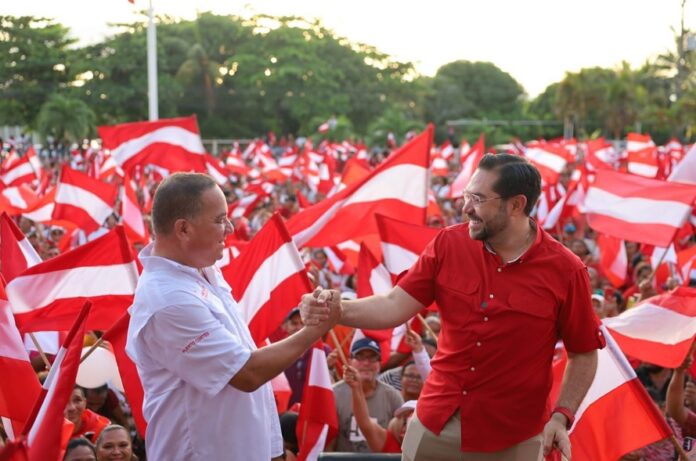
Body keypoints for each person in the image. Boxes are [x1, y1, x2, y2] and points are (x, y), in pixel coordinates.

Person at [302, 154, 604, 461]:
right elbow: (393, 305)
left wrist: (561, 415)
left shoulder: (567, 271)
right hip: (436, 422)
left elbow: (584, 353)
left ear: (516, 205)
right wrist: (336, 308)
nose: (466, 207)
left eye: (478, 198)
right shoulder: (448, 244)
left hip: (515, 436)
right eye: (467, 195)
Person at [125, 173, 339, 461]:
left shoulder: (203, 272)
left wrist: (272, 450)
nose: (229, 228)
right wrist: (315, 329)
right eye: (219, 220)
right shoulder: (168, 300)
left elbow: (246, 367)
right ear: (184, 229)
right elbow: (246, 373)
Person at [332, 337, 403, 452]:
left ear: (380, 362)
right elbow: (328, 440)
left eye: (373, 357)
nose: (366, 363)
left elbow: (400, 438)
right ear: (350, 361)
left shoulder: (393, 396)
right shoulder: (334, 394)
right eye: (360, 357)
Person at [344, 364, 416, 453]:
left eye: (412, 420)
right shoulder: (391, 445)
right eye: (404, 422)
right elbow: (364, 422)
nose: (406, 427)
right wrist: (356, 387)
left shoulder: (433, 447)